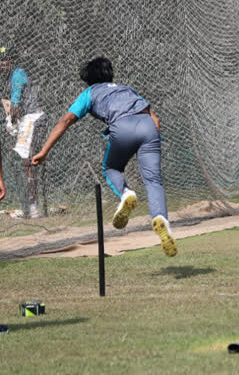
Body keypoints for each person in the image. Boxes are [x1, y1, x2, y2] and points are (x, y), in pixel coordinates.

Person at [30, 57, 177, 257]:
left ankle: (125, 194)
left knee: (111, 169)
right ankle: (162, 220)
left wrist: (44, 151)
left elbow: (66, 120)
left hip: (122, 127)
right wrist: (151, 143)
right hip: (148, 127)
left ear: (88, 79)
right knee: (153, 181)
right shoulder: (127, 89)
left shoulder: (89, 93)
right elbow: (155, 117)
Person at [1, 45, 44, 218]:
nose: (3, 63)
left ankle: (33, 206)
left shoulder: (17, 74)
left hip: (32, 117)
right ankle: (30, 204)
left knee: (27, 160)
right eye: (1, 60)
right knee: (26, 161)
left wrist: (11, 121)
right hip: (27, 118)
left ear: (12, 61)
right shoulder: (9, 76)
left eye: (6, 60)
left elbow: (16, 103)